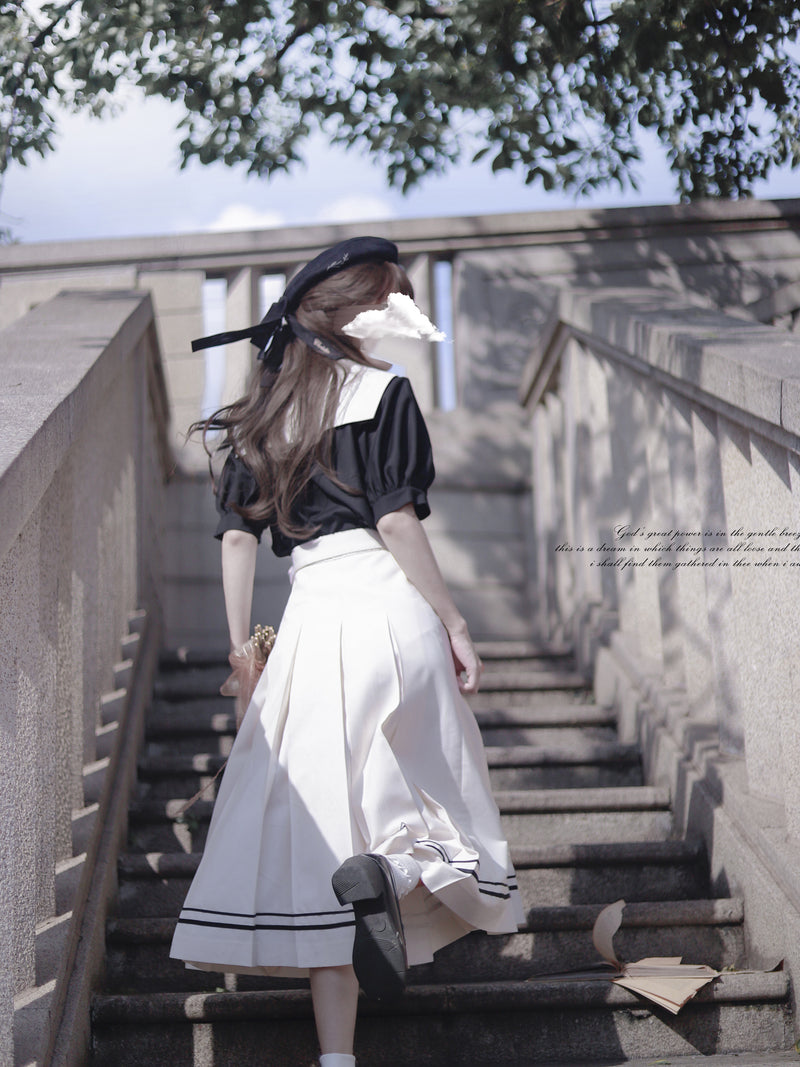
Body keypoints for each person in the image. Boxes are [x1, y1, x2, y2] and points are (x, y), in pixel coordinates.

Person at [169, 236, 524, 1067]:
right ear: (356, 310)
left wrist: (241, 653)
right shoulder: (384, 390)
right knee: (434, 799)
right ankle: (396, 882)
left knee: (325, 834)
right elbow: (397, 520)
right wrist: (455, 621)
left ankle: (338, 1057)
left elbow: (234, 542)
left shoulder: (261, 413)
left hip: (313, 620)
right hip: (389, 610)